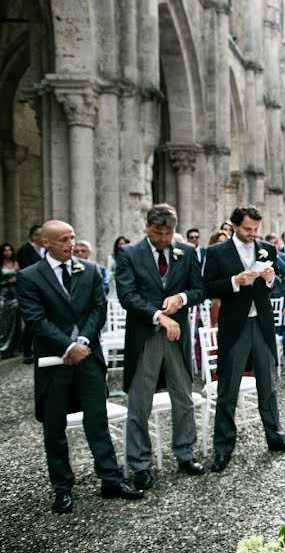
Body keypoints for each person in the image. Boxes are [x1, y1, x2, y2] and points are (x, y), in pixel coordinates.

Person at [16, 220, 144, 513]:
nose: (70, 244)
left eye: (72, 237)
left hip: (88, 357)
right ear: (45, 243)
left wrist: (83, 341)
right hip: (53, 362)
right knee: (54, 429)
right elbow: (34, 319)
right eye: (63, 239)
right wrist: (67, 347)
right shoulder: (29, 276)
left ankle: (111, 479)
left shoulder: (89, 270)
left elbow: (99, 308)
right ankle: (62, 488)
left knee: (97, 421)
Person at [203, 206, 285, 472]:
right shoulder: (216, 252)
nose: (252, 234)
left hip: (262, 324)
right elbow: (207, 286)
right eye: (248, 229)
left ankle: (275, 436)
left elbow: (279, 281)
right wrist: (234, 281)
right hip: (234, 325)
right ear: (235, 226)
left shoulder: (266, 249)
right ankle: (223, 447)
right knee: (228, 388)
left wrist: (271, 279)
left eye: (256, 229)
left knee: (268, 384)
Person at [115, 204, 206, 488]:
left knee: (184, 396)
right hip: (146, 335)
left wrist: (181, 298)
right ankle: (140, 463)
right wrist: (159, 316)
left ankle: (184, 452)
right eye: (158, 232)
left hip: (177, 337)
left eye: (169, 232)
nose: (164, 238)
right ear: (147, 227)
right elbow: (127, 296)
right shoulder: (129, 254)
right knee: (140, 402)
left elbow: (199, 290)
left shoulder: (187, 252)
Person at [17, 224, 44, 363]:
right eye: (41, 234)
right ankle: (27, 351)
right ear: (34, 236)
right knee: (31, 321)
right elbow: (27, 271)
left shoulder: (44, 250)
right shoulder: (24, 251)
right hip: (32, 290)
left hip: (44, 290)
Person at [0, 243, 21, 359]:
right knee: (4, 323)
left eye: (10, 250)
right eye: (5, 250)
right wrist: (9, 282)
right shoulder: (0, 266)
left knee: (14, 323)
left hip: (15, 296)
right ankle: (2, 348)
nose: (8, 252)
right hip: (3, 296)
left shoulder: (16, 264)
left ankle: (12, 348)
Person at [264, 233, 285, 299]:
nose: (273, 245)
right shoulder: (262, 256)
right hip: (267, 293)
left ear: (279, 244)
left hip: (282, 292)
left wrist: (276, 256)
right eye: (271, 243)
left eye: (275, 243)